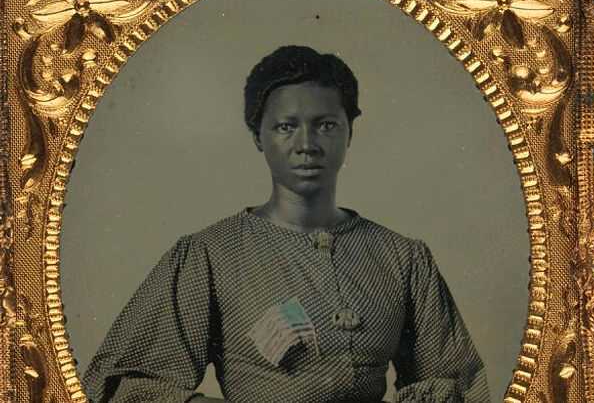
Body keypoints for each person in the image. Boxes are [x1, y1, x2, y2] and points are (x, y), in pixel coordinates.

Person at [83, 45, 490, 403]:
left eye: (326, 125)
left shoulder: (402, 259)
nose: (307, 144)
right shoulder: (211, 255)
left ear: (350, 132)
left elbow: (457, 384)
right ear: (258, 136)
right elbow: (123, 386)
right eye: (285, 126)